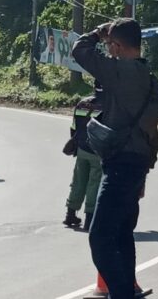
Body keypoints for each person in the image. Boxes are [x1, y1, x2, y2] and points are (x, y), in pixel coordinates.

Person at [71, 19, 158, 299]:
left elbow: (79, 50)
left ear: (117, 45)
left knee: (99, 237)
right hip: (136, 164)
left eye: (110, 45)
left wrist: (97, 33)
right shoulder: (150, 79)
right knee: (123, 233)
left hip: (120, 164)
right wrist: (144, 173)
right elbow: (151, 131)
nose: (108, 50)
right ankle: (125, 292)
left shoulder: (118, 71)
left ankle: (122, 294)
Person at [63, 82, 104, 231]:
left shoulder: (82, 103)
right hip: (98, 152)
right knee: (94, 183)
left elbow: (73, 127)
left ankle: (70, 214)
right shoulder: (109, 106)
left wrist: (77, 144)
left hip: (81, 149)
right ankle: (89, 219)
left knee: (78, 181)